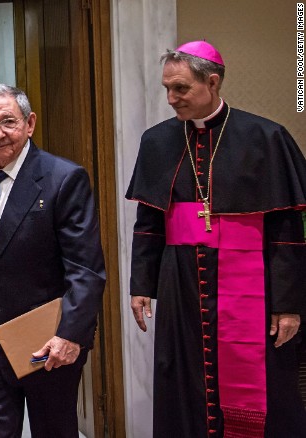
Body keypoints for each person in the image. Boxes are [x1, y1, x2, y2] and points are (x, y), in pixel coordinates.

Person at [127, 41, 306, 437]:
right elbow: (149, 221)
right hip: (181, 284)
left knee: (263, 383)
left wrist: (289, 304)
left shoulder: (266, 137)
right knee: (183, 376)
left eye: (181, 89)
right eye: (166, 89)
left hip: (251, 284)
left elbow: (287, 234)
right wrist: (141, 284)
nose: (171, 99)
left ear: (212, 82)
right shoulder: (157, 141)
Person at [0, 83, 106, 437]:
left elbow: (85, 269)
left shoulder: (63, 178)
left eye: (8, 122)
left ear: (29, 124)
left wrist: (70, 334)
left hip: (46, 342)